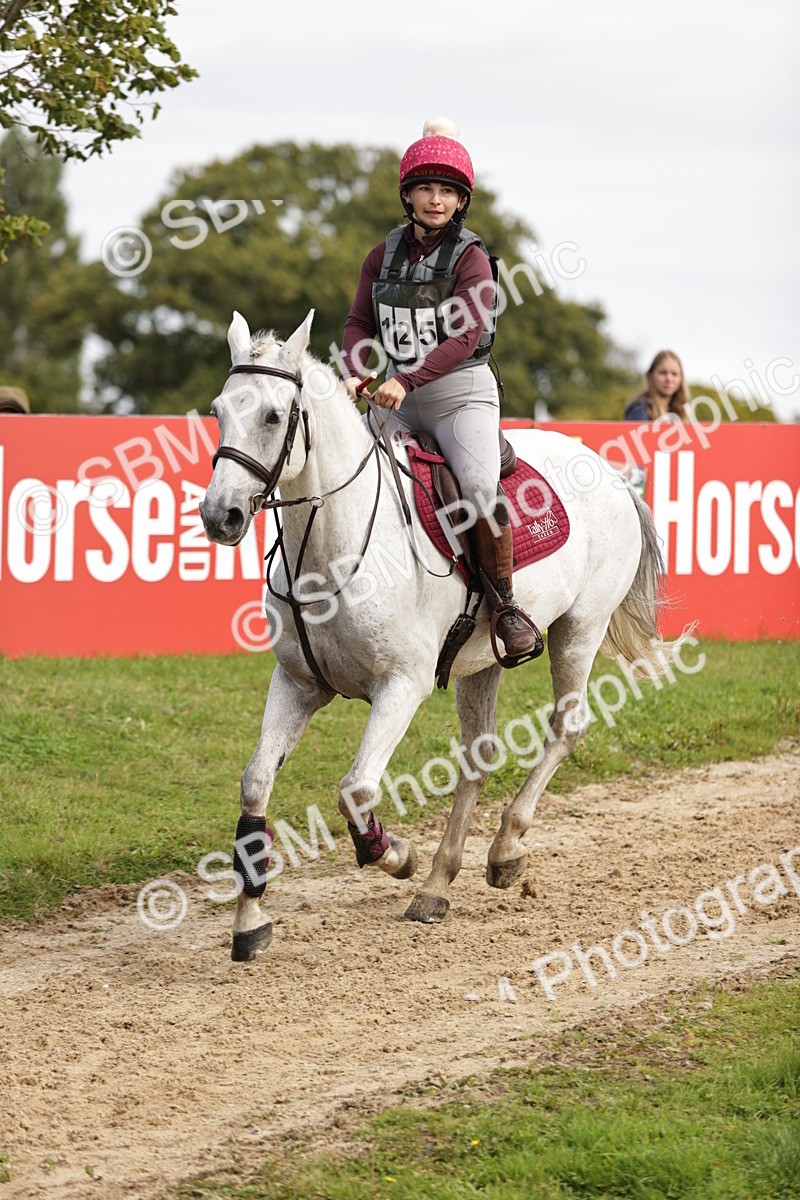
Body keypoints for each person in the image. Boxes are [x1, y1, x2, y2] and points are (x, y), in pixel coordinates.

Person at [339, 117, 542, 662]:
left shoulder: (472, 258)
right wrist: (358, 367)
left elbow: (467, 334)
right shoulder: (380, 256)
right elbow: (359, 322)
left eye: (448, 190)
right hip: (395, 397)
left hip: (460, 394)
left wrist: (404, 379)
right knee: (349, 474)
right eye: (426, 188)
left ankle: (505, 608)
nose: (436, 199)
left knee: (477, 489)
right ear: (407, 195)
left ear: (460, 202)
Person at [624, 350, 690, 420]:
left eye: (674, 374)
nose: (669, 379)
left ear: (681, 378)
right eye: (663, 373)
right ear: (651, 375)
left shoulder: (680, 410)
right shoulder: (640, 411)